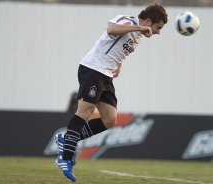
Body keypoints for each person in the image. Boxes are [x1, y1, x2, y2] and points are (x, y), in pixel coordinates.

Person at [54, 2, 168, 182]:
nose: (158, 32)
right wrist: (140, 27)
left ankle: (67, 138)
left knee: (109, 119)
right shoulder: (129, 22)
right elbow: (111, 29)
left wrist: (119, 64)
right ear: (148, 21)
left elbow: (118, 48)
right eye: (158, 27)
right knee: (86, 111)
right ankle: (65, 158)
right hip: (93, 69)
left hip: (106, 76)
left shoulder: (138, 35)